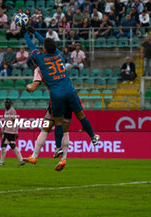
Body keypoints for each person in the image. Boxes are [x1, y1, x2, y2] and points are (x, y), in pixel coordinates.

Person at [22, 25, 99, 163]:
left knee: (57, 123)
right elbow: (46, 42)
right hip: (69, 90)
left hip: (56, 95)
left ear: (44, 49)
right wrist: (34, 31)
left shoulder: (40, 60)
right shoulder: (58, 53)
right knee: (81, 116)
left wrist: (26, 34)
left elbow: (31, 46)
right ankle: (93, 137)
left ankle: (57, 148)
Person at [23, 59, 71, 171]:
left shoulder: (39, 69)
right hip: (70, 97)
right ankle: (63, 159)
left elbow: (33, 87)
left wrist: (28, 87)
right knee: (65, 131)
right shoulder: (56, 64)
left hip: (56, 101)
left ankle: (34, 156)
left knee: (45, 128)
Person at [0, 99, 25, 166]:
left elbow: (15, 121)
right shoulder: (6, 111)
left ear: (10, 104)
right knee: (9, 146)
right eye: (5, 103)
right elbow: (6, 121)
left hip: (10, 132)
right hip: (7, 131)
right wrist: (2, 130)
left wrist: (16, 132)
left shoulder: (12, 111)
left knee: (8, 146)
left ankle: (2, 162)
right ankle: (21, 160)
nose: (6, 104)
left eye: (7, 103)